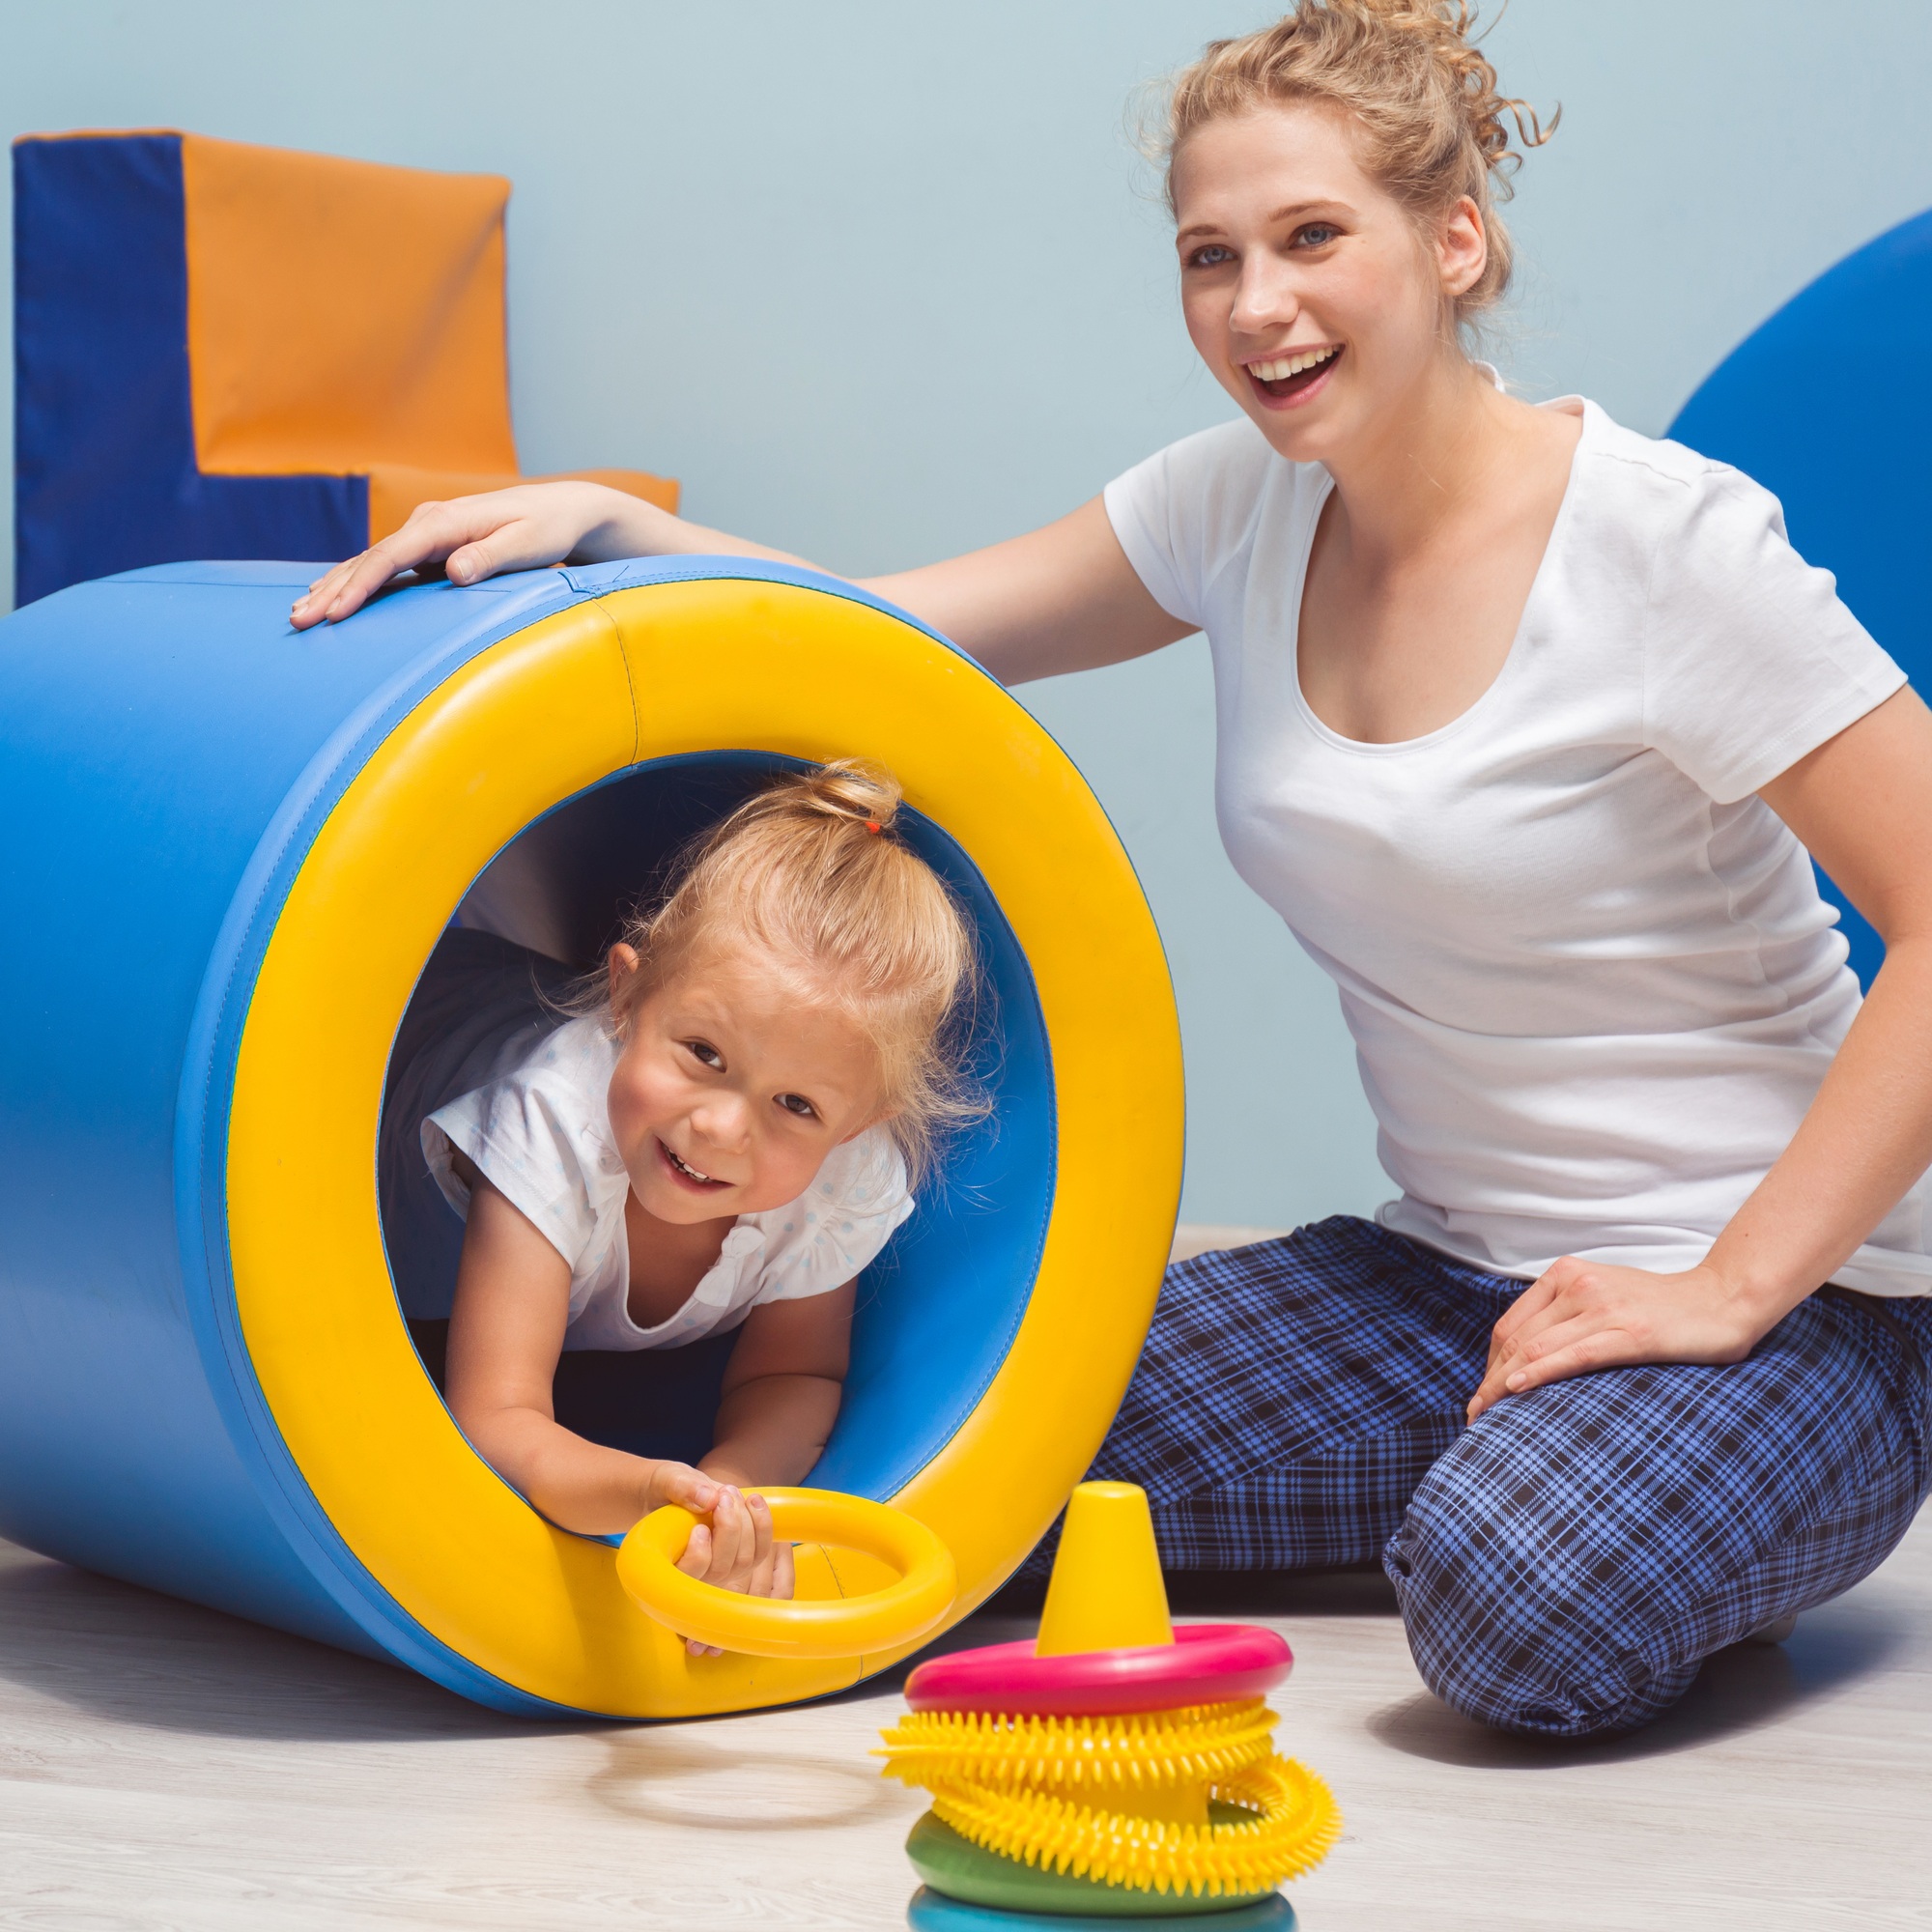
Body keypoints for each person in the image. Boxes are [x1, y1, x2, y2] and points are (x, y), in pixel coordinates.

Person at [298, 0, 1932, 1738]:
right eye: (1212, 256)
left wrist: (1729, 1286)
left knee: (1520, 1608)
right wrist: (616, 530)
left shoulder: (1663, 546)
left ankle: (1656, 1486)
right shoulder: (1236, 506)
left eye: (1314, 238)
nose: (1257, 305)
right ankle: (1548, 1472)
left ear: (1455, 241)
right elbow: (890, 642)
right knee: (946, 1456)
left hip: (1795, 1299)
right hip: (1444, 1284)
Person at [381, 761, 977, 1649]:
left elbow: (792, 1378)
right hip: (403, 1026)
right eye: (704, 1053)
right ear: (626, 995)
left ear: (858, 1125)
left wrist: (727, 1501)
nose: (723, 1127)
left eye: (797, 1105)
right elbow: (494, 1418)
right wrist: (647, 1495)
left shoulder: (842, 1180)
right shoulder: (552, 1126)